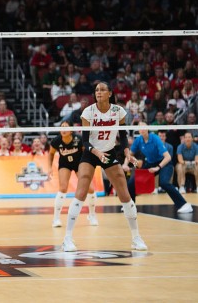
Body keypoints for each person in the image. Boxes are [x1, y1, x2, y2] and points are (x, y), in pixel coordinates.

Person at [62, 81, 147, 252]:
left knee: (124, 193)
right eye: (96, 90)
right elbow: (85, 141)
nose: (98, 92)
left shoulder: (118, 111)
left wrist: (127, 152)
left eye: (102, 90)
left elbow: (122, 136)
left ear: (109, 93)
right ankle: (67, 238)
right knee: (82, 188)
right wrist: (97, 153)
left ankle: (136, 238)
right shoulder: (88, 112)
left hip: (108, 152)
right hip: (91, 153)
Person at [127, 123, 192, 213]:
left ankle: (184, 205)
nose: (142, 129)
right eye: (140, 128)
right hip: (150, 163)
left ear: (147, 128)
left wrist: (158, 167)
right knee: (131, 182)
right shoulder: (138, 140)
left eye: (144, 127)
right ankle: (130, 206)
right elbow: (129, 154)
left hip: (165, 163)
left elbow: (168, 157)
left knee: (164, 183)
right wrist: (125, 164)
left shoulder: (155, 138)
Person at [48, 121, 98, 228]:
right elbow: (51, 153)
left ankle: (92, 215)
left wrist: (88, 166)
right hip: (65, 164)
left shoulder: (79, 139)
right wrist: (49, 167)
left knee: (90, 189)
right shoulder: (56, 141)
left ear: (71, 130)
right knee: (63, 188)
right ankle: (56, 219)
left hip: (79, 163)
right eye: (62, 127)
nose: (63, 129)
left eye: (66, 127)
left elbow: (86, 153)